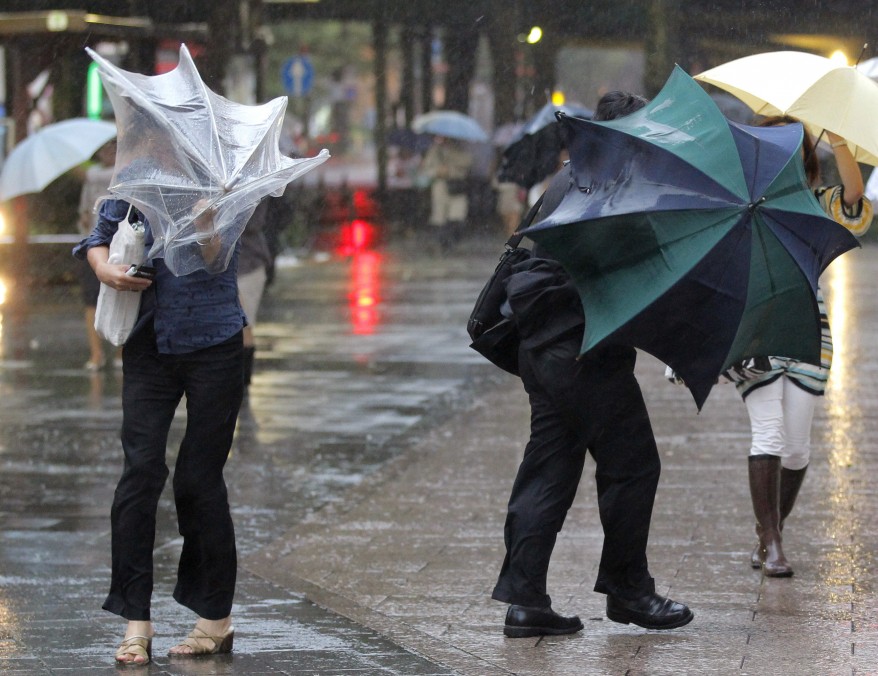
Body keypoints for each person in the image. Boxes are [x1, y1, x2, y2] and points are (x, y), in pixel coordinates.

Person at [491, 91, 693, 638]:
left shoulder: (572, 176)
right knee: (634, 464)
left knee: (549, 471)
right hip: (582, 350)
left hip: (542, 346)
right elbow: (628, 275)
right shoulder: (615, 185)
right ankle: (629, 590)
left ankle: (525, 600)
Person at [73, 197, 247, 665]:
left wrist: (207, 222)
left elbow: (219, 258)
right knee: (140, 472)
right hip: (147, 343)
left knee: (198, 479)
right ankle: (136, 623)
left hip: (214, 342)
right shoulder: (136, 173)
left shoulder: (218, 177)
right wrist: (104, 270)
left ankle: (214, 621)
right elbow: (98, 239)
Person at [735, 117, 873, 577]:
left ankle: (769, 530)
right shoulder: (744, 204)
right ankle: (773, 544)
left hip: (808, 332)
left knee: (796, 451)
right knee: (769, 433)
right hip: (755, 331)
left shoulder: (814, 204)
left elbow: (854, 198)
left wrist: (837, 135)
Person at [76, 139, 122, 370]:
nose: (108, 153)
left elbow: (94, 178)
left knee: (123, 298)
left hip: (120, 246)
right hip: (94, 246)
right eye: (103, 149)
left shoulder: (123, 173)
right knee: (91, 301)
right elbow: (84, 209)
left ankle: (120, 354)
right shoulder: (92, 176)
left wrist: (76, 167)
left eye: (112, 148)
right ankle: (96, 354)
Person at [420, 135, 473, 251]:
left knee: (457, 216)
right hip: (440, 186)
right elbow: (427, 169)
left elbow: (468, 163)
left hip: (457, 185)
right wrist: (437, 171)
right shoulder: (434, 151)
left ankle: (452, 240)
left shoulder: (460, 150)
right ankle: (443, 243)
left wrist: (451, 164)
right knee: (440, 216)